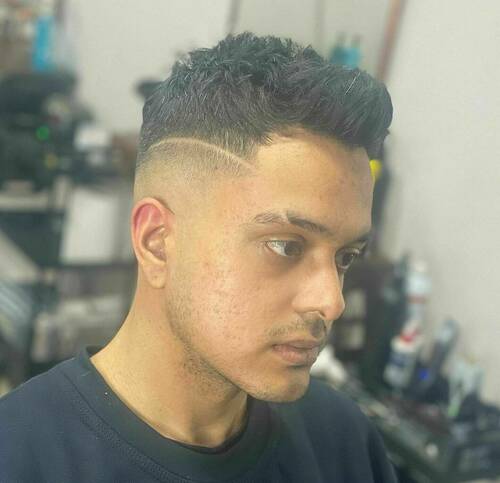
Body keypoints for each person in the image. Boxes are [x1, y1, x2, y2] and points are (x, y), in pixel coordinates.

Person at [0, 32, 396, 482]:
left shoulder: (342, 442)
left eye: (345, 257)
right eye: (286, 246)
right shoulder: (17, 458)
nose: (331, 302)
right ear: (156, 241)